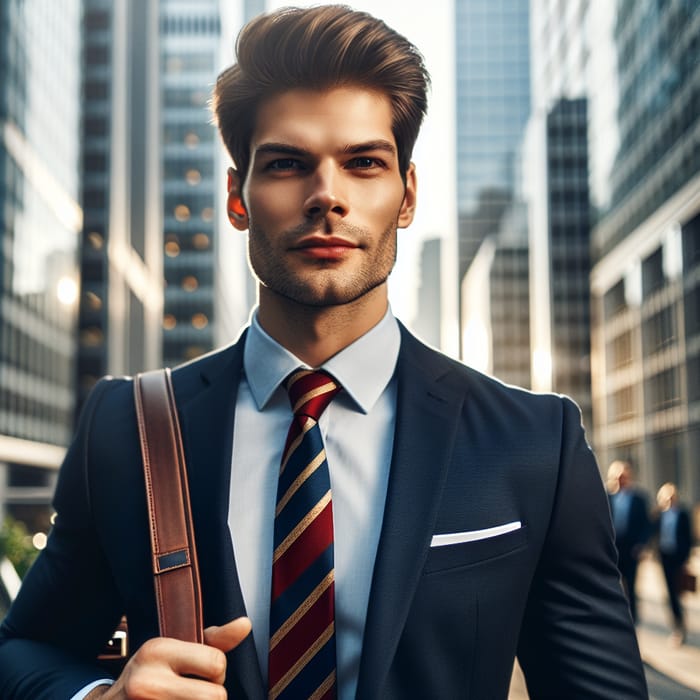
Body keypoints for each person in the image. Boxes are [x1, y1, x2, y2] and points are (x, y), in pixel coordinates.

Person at [0, 5, 648, 699]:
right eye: (286, 163)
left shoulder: (534, 443)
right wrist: (99, 698)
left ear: (407, 195)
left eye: (364, 163)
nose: (326, 196)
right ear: (236, 196)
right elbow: (26, 649)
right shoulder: (125, 426)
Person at [607, 459, 651, 623]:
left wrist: (641, 545)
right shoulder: (606, 497)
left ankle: (634, 621)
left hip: (632, 549)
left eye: (624, 476)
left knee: (631, 586)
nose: (620, 480)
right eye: (617, 477)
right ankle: (617, 619)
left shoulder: (639, 499)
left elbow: (646, 525)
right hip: (613, 549)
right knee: (613, 586)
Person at [655, 482, 693, 645]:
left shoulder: (683, 514)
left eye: (672, 497)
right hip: (665, 558)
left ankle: (681, 624)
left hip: (678, 558)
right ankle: (677, 624)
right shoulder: (659, 515)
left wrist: (685, 559)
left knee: (678, 593)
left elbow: (688, 538)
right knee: (670, 593)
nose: (670, 500)